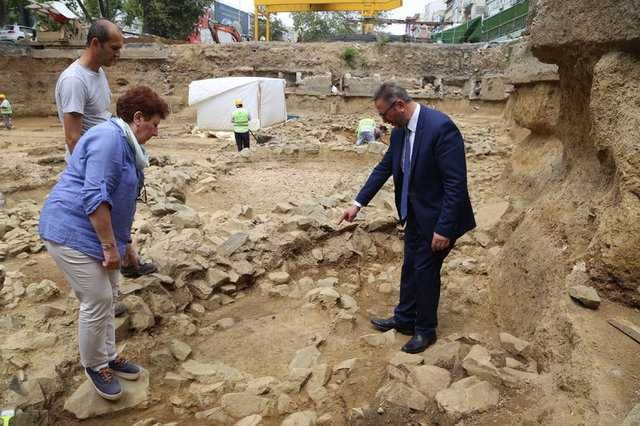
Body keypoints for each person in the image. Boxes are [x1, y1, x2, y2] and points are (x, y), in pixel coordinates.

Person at [39, 86, 169, 400]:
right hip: (70, 230)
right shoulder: (109, 139)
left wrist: (123, 245)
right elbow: (95, 196)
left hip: (96, 233)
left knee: (109, 295)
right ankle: (95, 366)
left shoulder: (126, 145)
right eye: (154, 124)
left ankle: (108, 355)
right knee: (96, 299)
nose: (156, 131)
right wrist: (111, 247)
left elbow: (120, 200)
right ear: (137, 118)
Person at [339, 82, 476, 354]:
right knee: (411, 266)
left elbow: (455, 184)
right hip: (413, 214)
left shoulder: (441, 128)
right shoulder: (400, 133)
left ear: (399, 105)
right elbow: (384, 169)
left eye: (383, 114)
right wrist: (357, 203)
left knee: (425, 272)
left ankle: (425, 330)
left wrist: (444, 229)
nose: (382, 121)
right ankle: (404, 319)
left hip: (439, 219)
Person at [55, 19, 157, 283]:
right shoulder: (74, 81)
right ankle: (99, 289)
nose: (118, 54)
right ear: (95, 44)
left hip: (108, 158)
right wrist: (95, 175)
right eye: (114, 48)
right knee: (100, 220)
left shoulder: (97, 74)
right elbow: (73, 137)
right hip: (94, 165)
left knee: (118, 210)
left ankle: (128, 260)